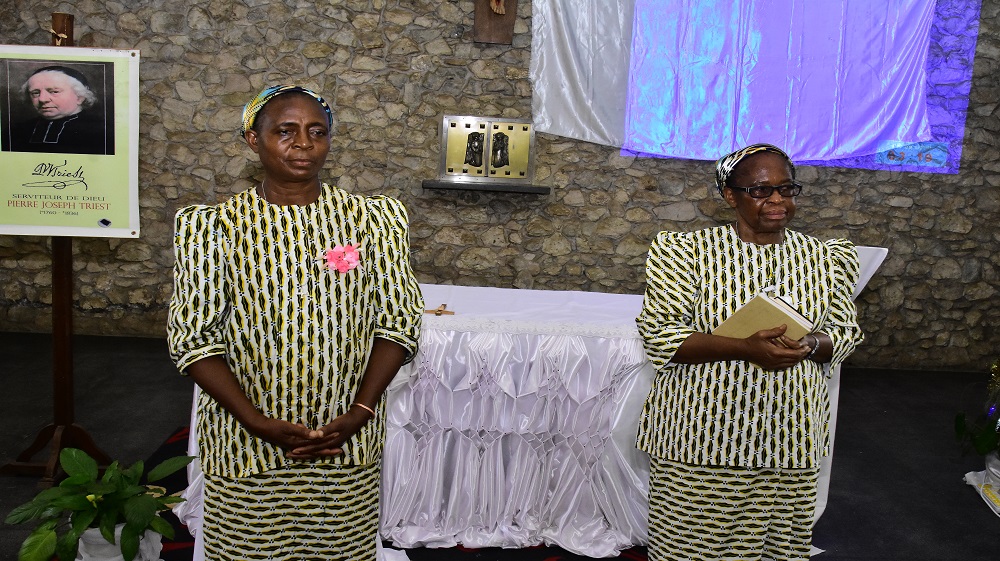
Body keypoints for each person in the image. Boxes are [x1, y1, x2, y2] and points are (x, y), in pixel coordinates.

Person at [167, 85, 423, 560]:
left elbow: (399, 321)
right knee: (248, 551)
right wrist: (256, 421)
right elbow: (193, 339)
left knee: (338, 550)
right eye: (285, 131)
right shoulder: (213, 227)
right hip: (245, 441)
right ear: (254, 139)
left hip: (344, 439)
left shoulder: (373, 220)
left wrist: (361, 412)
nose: (303, 143)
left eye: (316, 132)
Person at [635, 143, 864, 561]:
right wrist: (744, 348)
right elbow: (660, 334)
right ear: (730, 195)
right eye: (760, 190)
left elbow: (846, 333)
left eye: (786, 188)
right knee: (694, 545)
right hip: (701, 434)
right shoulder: (686, 252)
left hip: (788, 435)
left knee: (773, 547)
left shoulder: (826, 258)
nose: (777, 200)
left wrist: (810, 344)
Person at [9, 65, 112, 154]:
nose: (42, 99)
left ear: (79, 97)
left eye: (54, 91)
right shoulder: (16, 131)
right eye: (35, 93)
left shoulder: (103, 131)